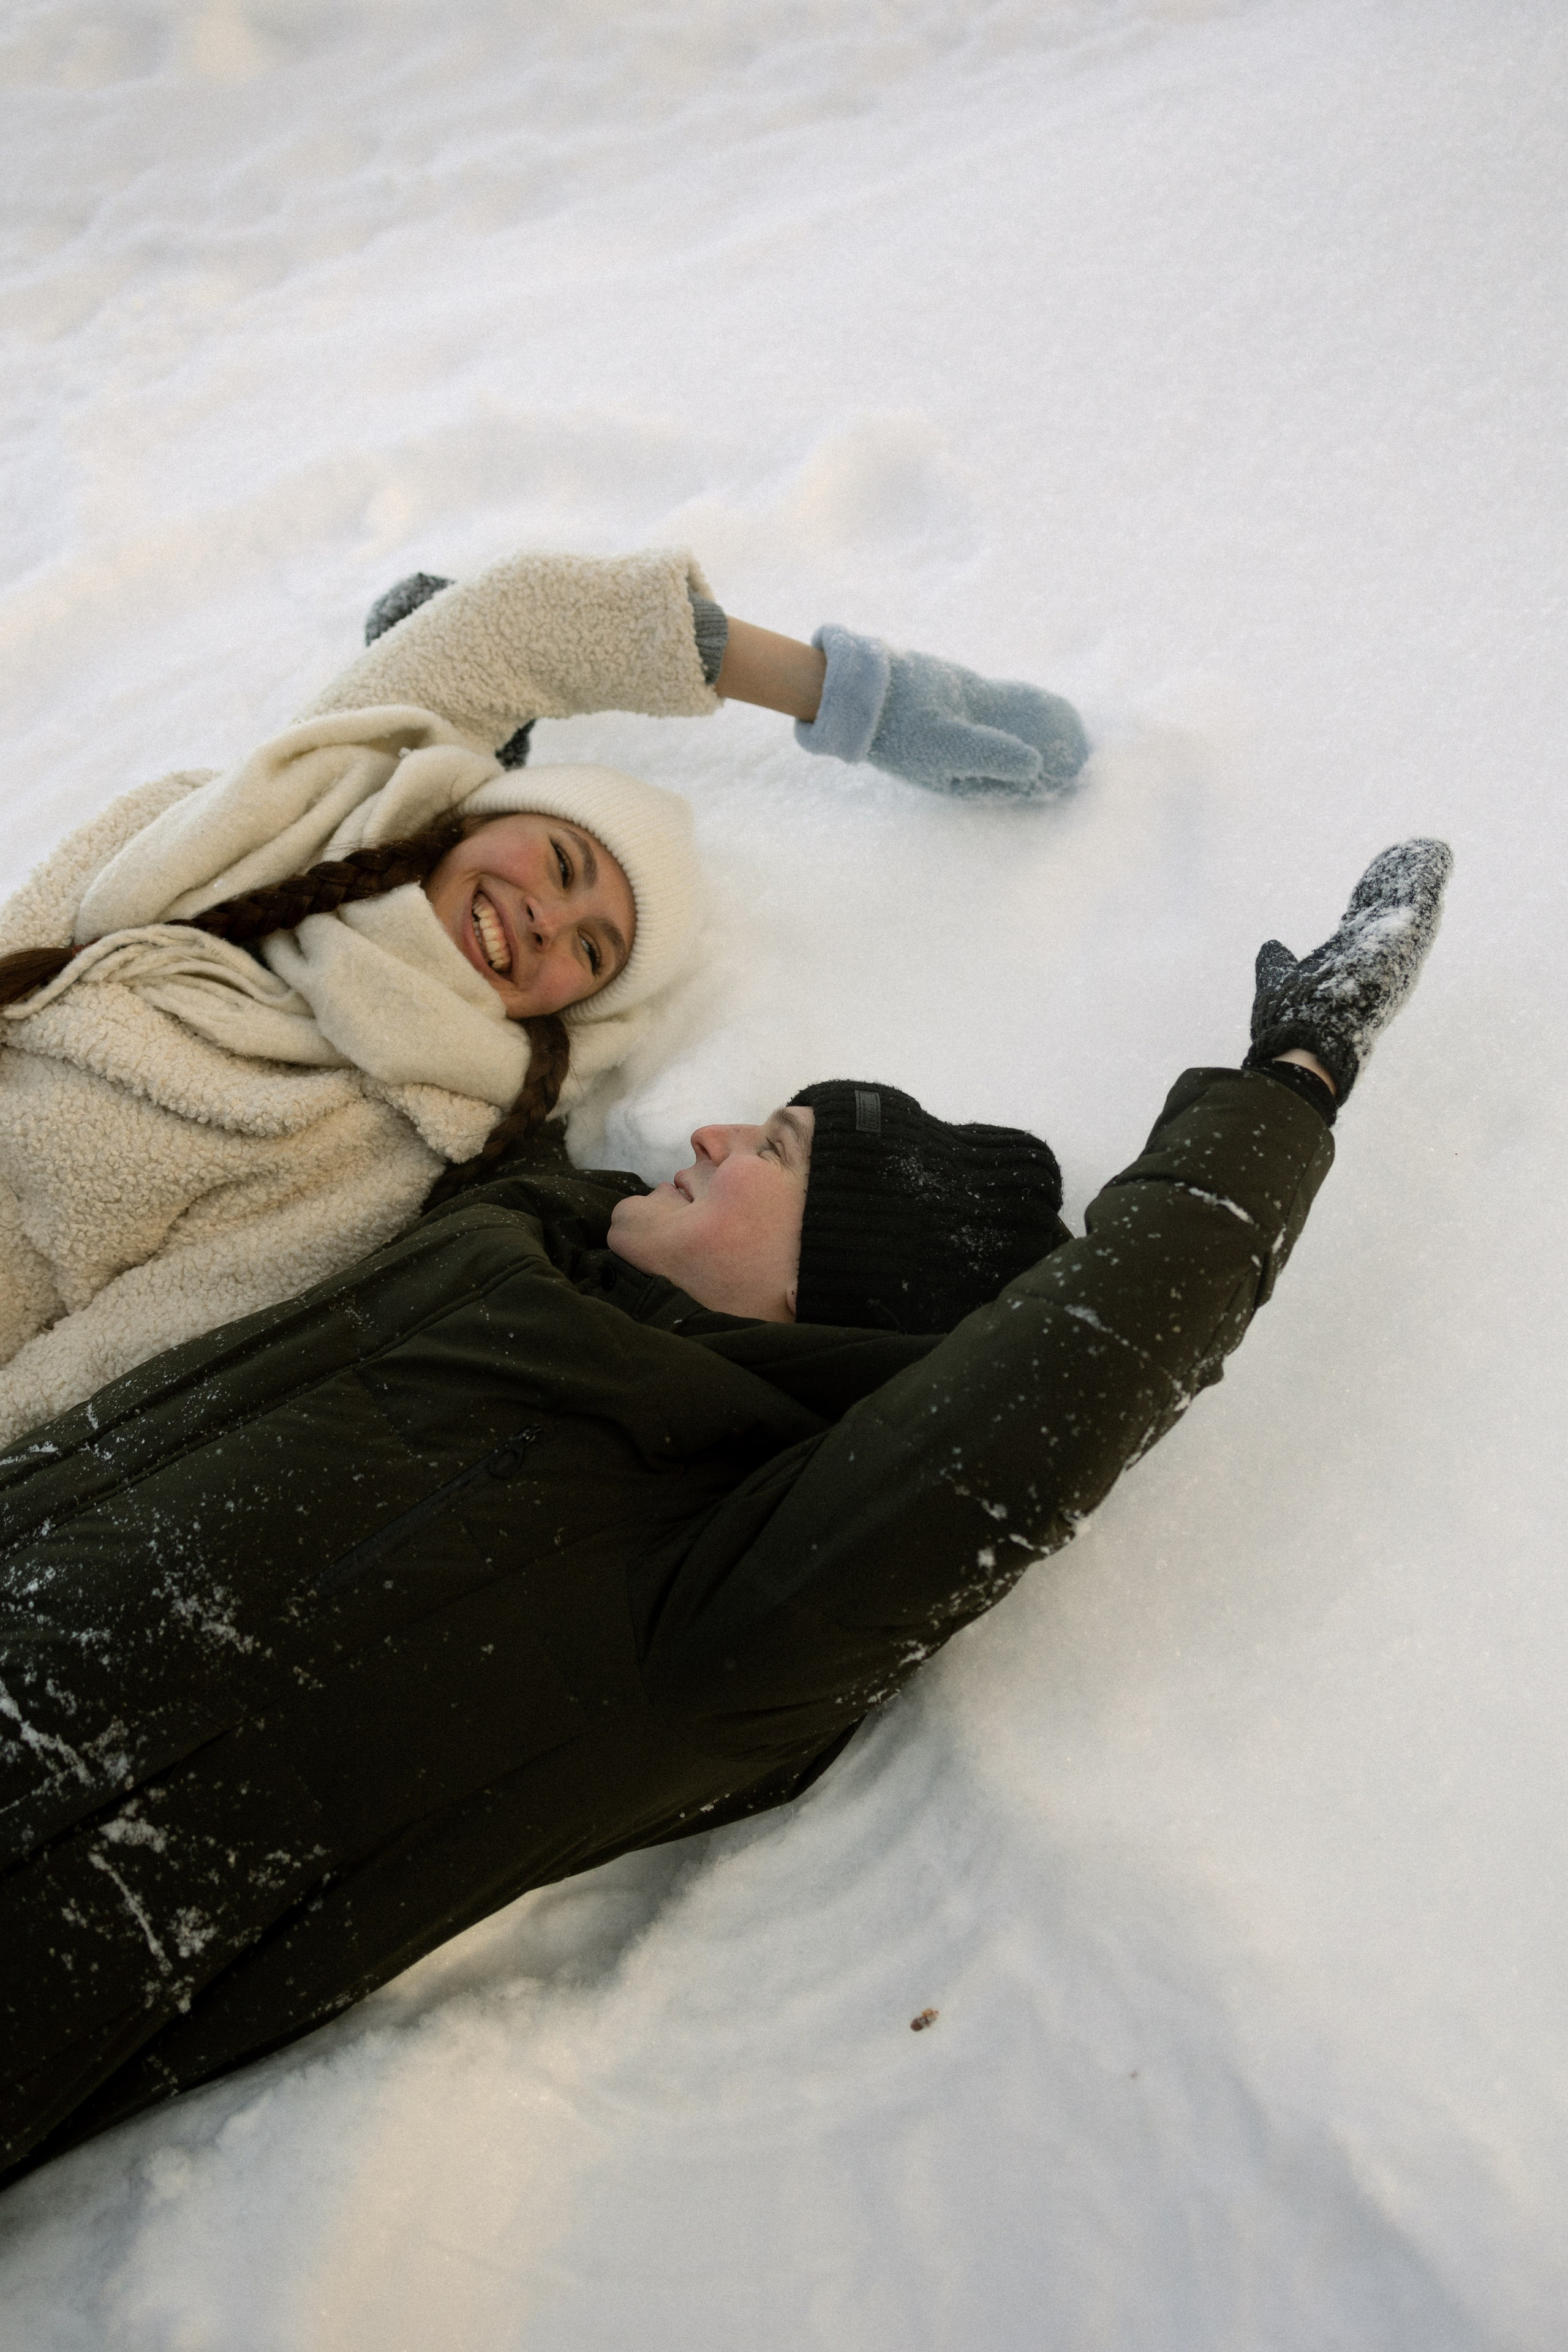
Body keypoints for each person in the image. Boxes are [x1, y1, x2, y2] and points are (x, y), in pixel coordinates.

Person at [0, 838, 1450, 2185]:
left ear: (836, 1279)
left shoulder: (725, 1589)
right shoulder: (512, 1252)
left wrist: (1288, 1084)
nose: (703, 1133)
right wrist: (456, 786)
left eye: (774, 1149)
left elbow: (1057, 1392)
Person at [0, 549, 1090, 1447]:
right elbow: (522, 621)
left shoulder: (402, 1131)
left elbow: (129, 1354)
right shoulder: (296, 808)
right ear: (479, 808)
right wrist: (871, 702)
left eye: (593, 948)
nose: (543, 923)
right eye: (562, 864)